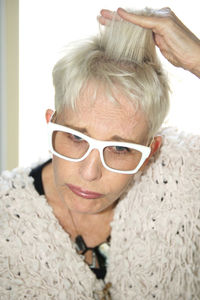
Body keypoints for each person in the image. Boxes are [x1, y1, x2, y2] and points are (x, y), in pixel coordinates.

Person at [0, 7, 200, 300]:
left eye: (120, 148)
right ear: (51, 124)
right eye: (76, 137)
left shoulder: (184, 175)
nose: (89, 172)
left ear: (150, 151)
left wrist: (197, 58)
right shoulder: (5, 216)